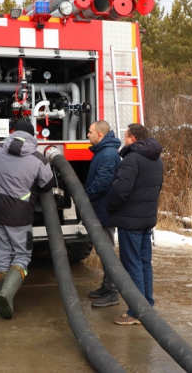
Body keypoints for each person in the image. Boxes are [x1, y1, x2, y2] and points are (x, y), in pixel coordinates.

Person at [0, 120, 55, 319]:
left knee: (2, 254)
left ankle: (3, 301)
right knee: (22, 256)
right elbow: (47, 185)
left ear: (12, 132)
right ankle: (7, 293)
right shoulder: (38, 158)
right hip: (20, 216)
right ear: (33, 136)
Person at [106, 123, 164, 326]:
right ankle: (146, 304)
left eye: (126, 136)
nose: (124, 139)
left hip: (130, 220)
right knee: (144, 262)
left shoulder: (132, 159)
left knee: (132, 265)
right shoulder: (156, 158)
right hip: (146, 218)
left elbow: (121, 189)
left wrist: (110, 207)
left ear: (133, 139)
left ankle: (136, 311)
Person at [84, 120, 122, 308]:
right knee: (103, 250)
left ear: (99, 135)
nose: (88, 135)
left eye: (90, 132)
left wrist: (85, 195)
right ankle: (107, 286)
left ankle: (112, 291)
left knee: (107, 252)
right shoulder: (104, 152)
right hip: (102, 208)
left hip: (105, 210)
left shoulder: (107, 154)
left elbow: (103, 182)